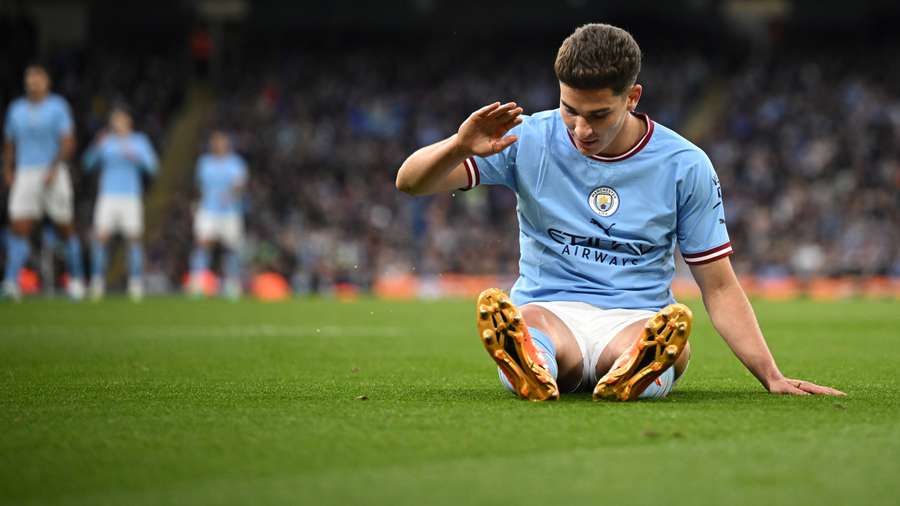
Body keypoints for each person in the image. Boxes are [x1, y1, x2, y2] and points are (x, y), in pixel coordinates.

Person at [395, 24, 845, 401]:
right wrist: (458, 144)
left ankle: (632, 369)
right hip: (549, 305)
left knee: (667, 338)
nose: (581, 129)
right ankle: (535, 365)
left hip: (635, 315)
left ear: (632, 97)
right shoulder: (525, 138)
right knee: (528, 326)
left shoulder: (684, 164)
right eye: (570, 110)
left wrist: (772, 375)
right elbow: (410, 182)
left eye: (598, 114)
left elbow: (720, 286)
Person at [2, 64, 84, 301]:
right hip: (26, 172)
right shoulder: (16, 109)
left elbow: (68, 141)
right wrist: (8, 169)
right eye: (29, 80)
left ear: (46, 82)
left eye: (37, 79)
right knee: (18, 226)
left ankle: (76, 279)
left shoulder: (58, 107)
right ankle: (11, 282)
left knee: (65, 227)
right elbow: (10, 142)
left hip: (53, 172)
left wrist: (54, 167)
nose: (32, 84)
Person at [82, 106, 158, 300]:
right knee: (100, 238)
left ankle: (135, 283)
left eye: (121, 120)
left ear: (129, 122)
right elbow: (87, 164)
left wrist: (136, 156)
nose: (118, 124)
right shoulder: (105, 141)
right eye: (115, 121)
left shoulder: (139, 141)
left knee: (133, 239)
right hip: (107, 195)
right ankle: (97, 282)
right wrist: (95, 146)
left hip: (131, 196)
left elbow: (153, 167)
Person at [189, 130, 247, 299]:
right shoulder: (204, 162)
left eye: (222, 142)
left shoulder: (236, 163)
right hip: (208, 209)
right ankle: (198, 283)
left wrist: (231, 194)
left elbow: (240, 185)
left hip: (230, 212)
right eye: (215, 142)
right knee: (202, 244)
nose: (218, 145)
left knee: (232, 247)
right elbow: (199, 186)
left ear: (227, 144)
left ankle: (232, 284)